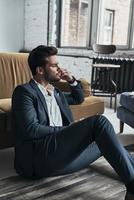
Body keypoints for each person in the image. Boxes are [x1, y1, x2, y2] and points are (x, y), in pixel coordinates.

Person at [12, 45, 134, 200]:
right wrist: (67, 130)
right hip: (38, 159)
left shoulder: (56, 92)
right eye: (54, 65)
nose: (59, 68)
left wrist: (71, 80)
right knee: (99, 122)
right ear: (40, 70)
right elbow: (31, 129)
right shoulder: (24, 92)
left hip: (60, 158)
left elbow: (78, 98)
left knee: (105, 140)